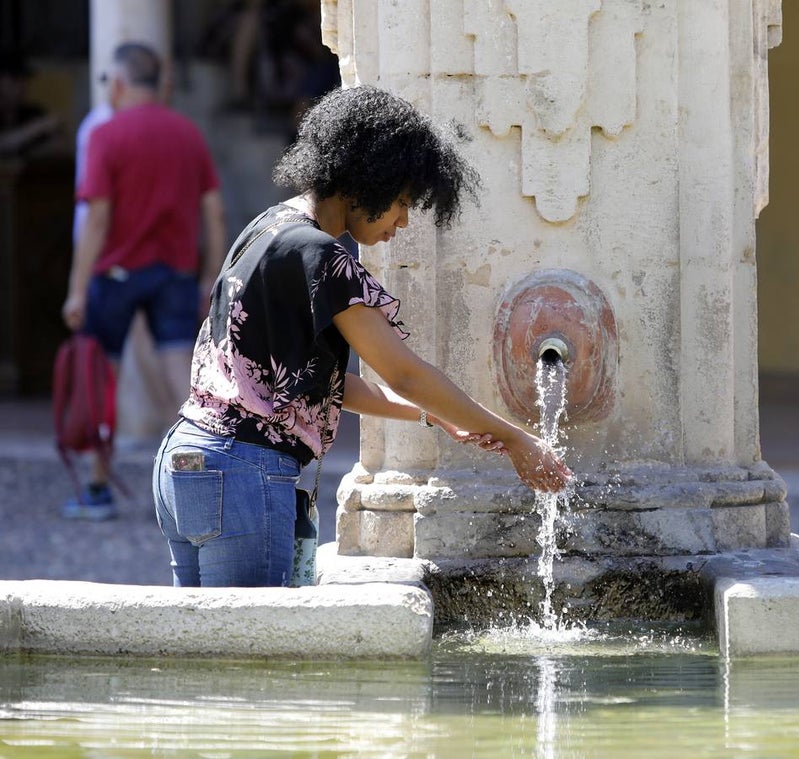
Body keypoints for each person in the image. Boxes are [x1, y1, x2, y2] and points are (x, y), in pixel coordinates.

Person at [152, 85, 573, 588]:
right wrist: (515, 438)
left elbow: (313, 384)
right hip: (243, 472)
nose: (403, 220)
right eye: (399, 201)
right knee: (253, 660)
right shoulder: (324, 259)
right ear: (364, 179)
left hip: (186, 462)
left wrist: (431, 416)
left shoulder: (267, 229)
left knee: (206, 654)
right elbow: (406, 373)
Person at [61, 42, 227, 520]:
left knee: (100, 377)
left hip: (114, 274)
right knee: (181, 373)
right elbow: (214, 211)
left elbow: (96, 220)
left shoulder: (106, 135)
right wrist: (209, 274)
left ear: (117, 82)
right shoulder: (187, 133)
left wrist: (75, 288)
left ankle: (97, 489)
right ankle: (205, 478)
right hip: (174, 271)